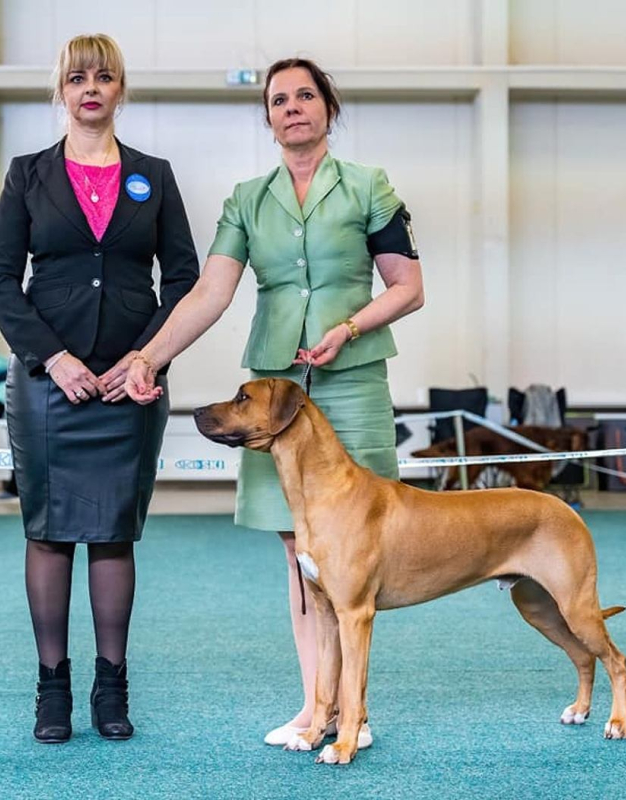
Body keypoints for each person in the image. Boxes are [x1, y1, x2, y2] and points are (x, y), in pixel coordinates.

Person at [125, 58, 425, 746]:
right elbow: (210, 292)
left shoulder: (369, 187)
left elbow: (408, 287)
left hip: (352, 380)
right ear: (267, 117)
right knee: (300, 552)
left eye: (305, 96)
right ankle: (316, 708)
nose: (292, 107)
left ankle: (353, 712)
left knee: (357, 547)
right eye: (279, 100)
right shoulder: (247, 200)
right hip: (273, 393)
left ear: (328, 108)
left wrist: (350, 328)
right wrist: (149, 356)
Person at [0, 34, 198, 744]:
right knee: (48, 534)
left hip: (131, 386)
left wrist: (145, 358)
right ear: (62, 91)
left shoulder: (155, 176)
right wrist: (54, 358)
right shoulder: (28, 175)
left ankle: (112, 686)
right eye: (77, 78)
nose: (91, 88)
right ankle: (52, 689)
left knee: (112, 536)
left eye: (104, 77)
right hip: (49, 385)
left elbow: (185, 280)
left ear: (120, 89)